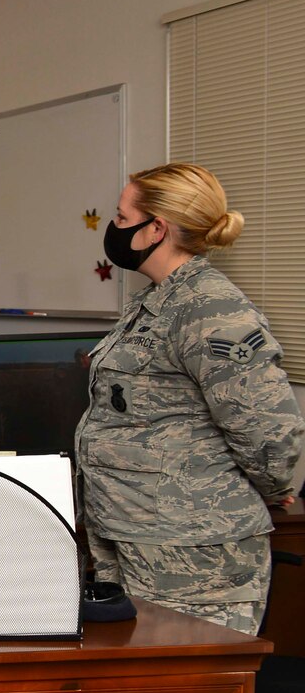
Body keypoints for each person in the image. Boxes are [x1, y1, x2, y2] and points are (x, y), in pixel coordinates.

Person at [77, 163, 303, 634]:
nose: (116, 229)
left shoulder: (211, 309)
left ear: (155, 228)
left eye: (121, 218)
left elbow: (268, 432)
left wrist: (274, 486)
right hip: (134, 535)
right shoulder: (156, 301)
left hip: (194, 551)